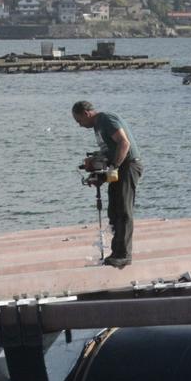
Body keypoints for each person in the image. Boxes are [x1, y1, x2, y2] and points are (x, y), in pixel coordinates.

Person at [72, 100, 143, 268]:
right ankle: (116, 253)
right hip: (119, 169)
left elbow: (124, 144)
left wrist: (114, 168)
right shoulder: (98, 126)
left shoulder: (106, 119)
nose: (79, 125)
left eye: (79, 120)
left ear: (86, 113)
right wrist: (99, 175)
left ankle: (124, 255)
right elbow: (111, 151)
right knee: (114, 211)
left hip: (128, 166)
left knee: (123, 210)